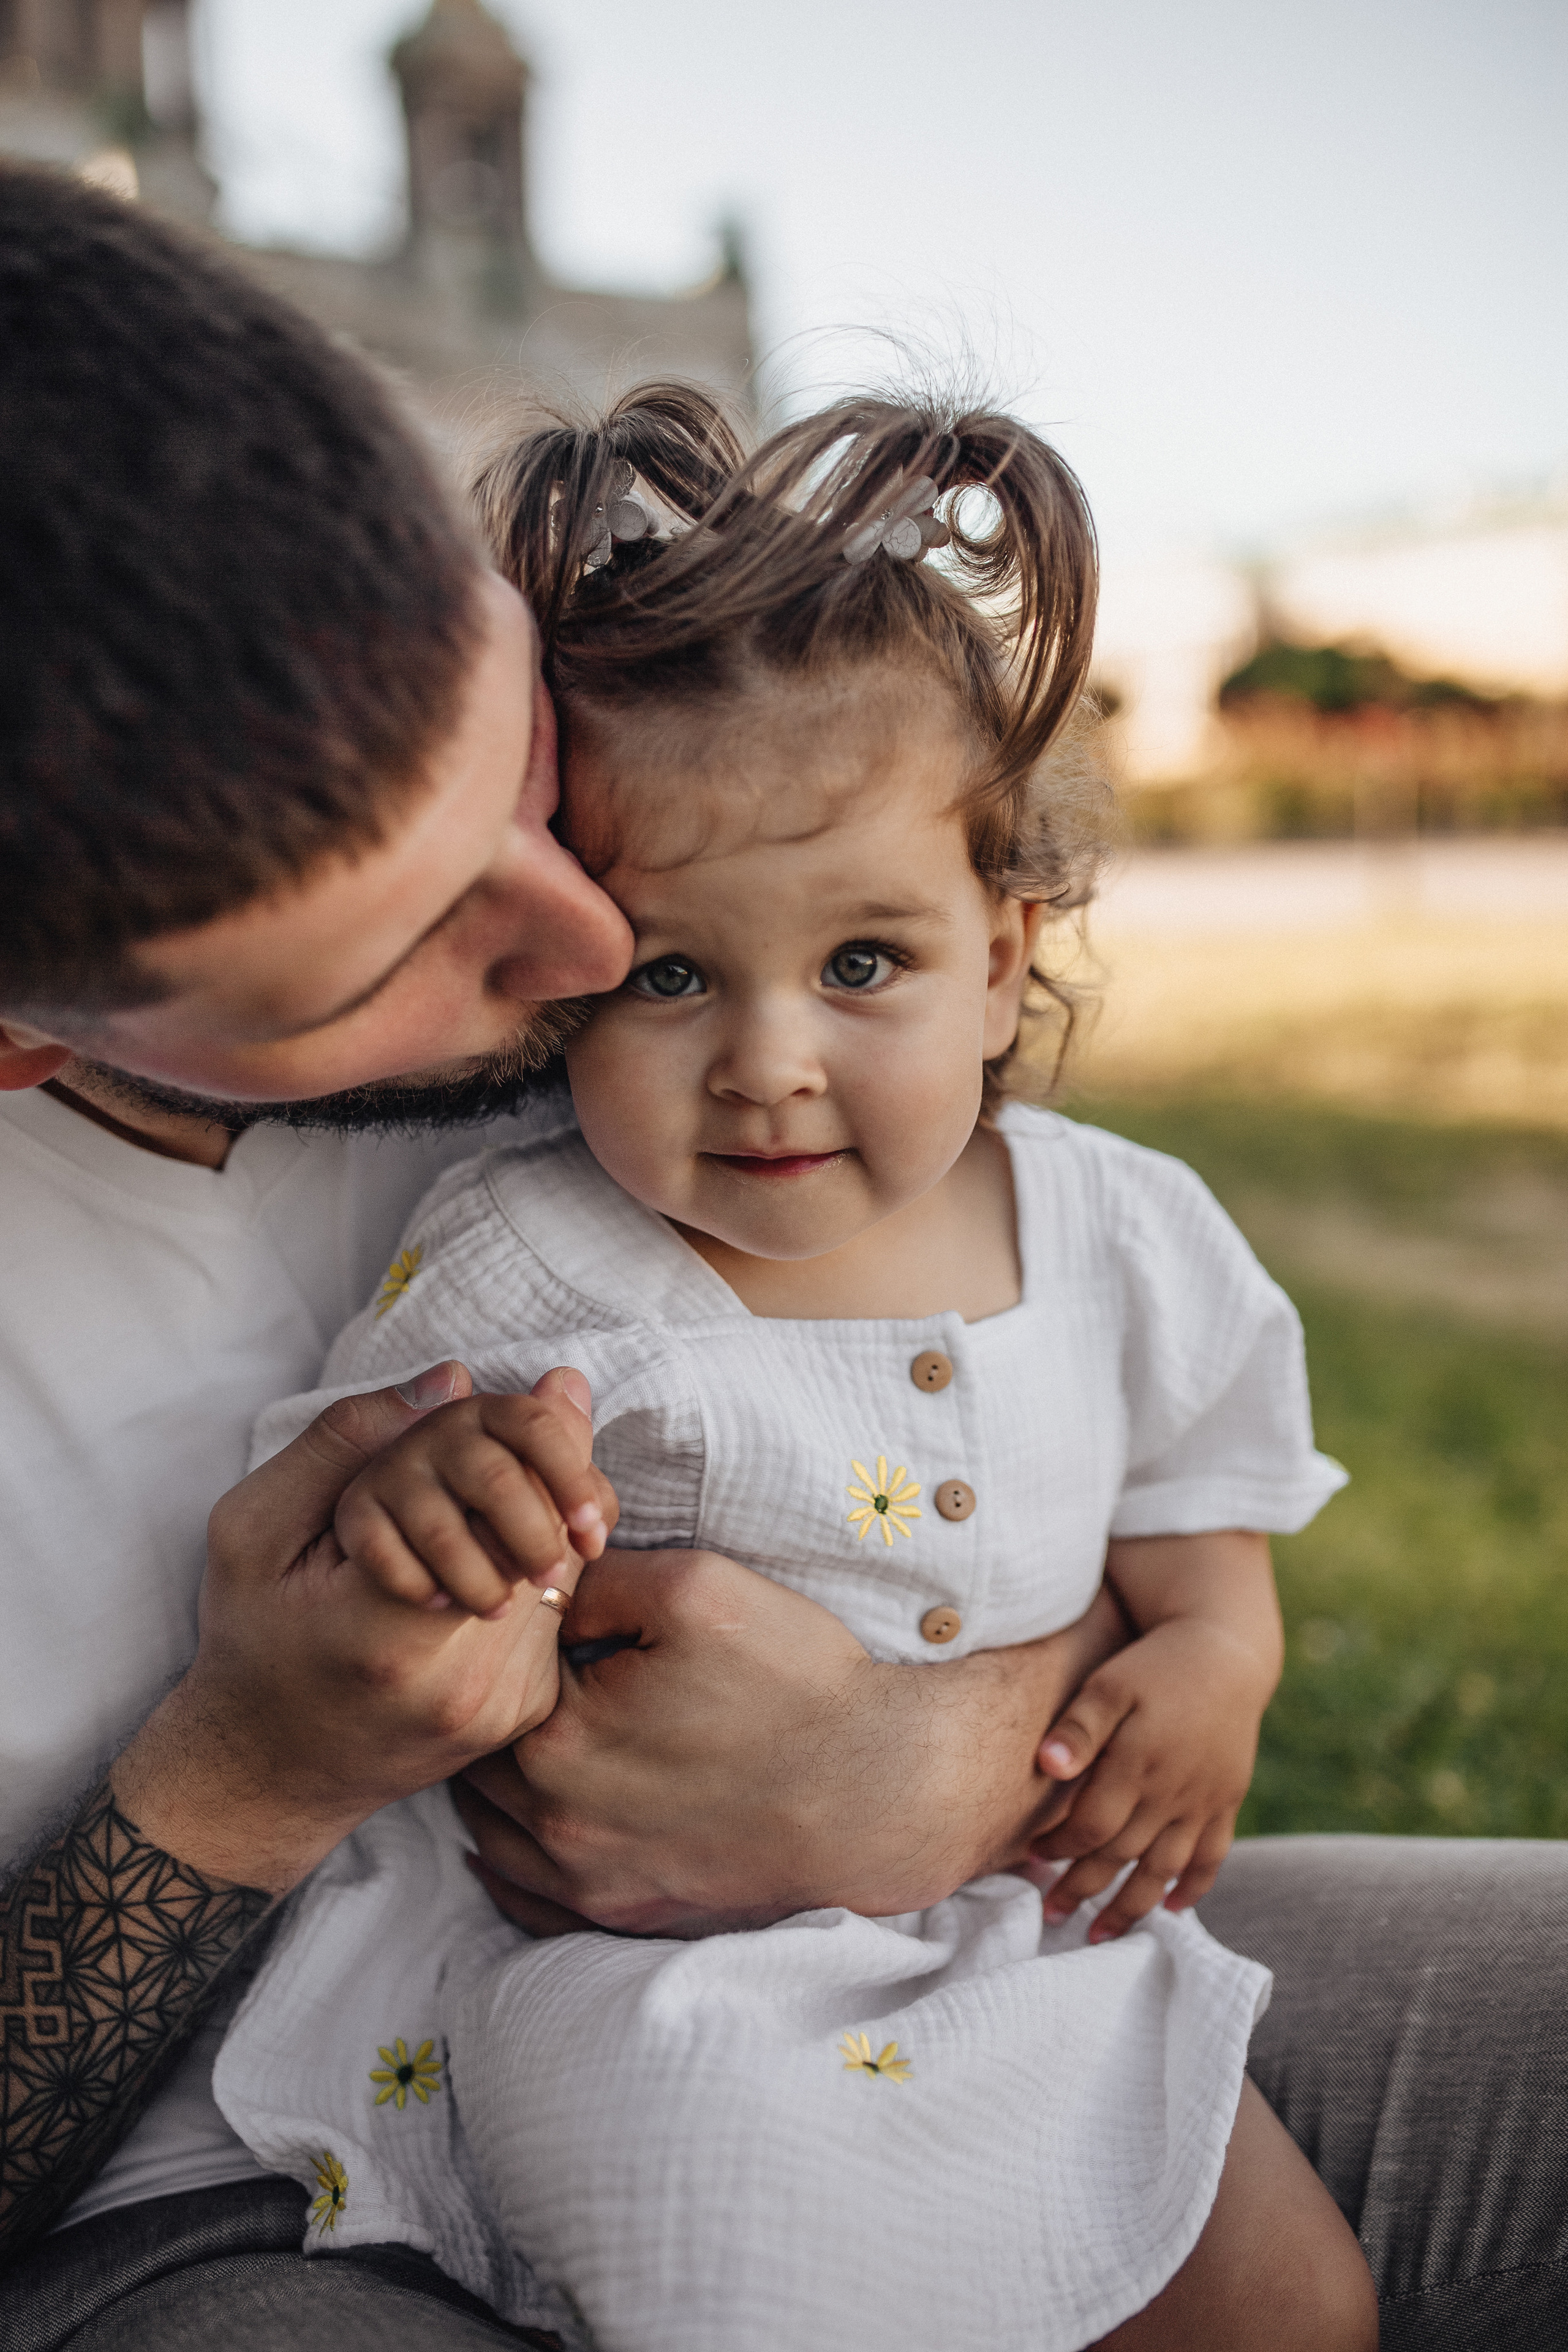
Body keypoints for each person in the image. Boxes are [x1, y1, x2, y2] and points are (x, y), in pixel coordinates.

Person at [0, 168, 1564, 2352]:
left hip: (994, 1936)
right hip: (254, 2184)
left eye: (525, 781)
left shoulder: (767, 1027)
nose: (570, 946)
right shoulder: (521, 1250)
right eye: (410, 933)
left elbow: (1027, 1421)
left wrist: (922, 1770)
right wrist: (253, 1765)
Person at [216, 388, 1373, 2351]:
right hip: (657, 1983)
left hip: (1035, 1930)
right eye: (672, 974)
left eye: (863, 967)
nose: (767, 1061)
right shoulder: (528, 1261)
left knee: (1295, 2303)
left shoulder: (1115, 1232)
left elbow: (1206, 1489)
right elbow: (330, 1504)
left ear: (1002, 961)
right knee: (742, 2247)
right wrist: (418, 1498)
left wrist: (1219, 1657)